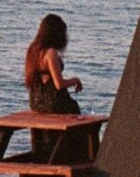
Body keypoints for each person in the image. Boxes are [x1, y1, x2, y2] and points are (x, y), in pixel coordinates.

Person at [22, 14, 95, 161]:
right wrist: (75, 80)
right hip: (53, 102)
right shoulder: (51, 53)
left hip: (36, 102)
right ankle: (79, 158)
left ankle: (52, 155)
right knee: (76, 112)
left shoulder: (32, 50)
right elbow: (58, 84)